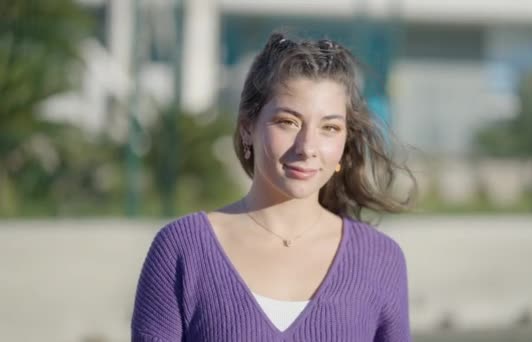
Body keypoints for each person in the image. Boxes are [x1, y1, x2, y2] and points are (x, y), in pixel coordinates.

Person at [131, 32, 416, 342]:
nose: (307, 147)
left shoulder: (380, 259)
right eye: (287, 121)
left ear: (345, 143)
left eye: (329, 128)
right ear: (247, 129)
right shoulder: (182, 249)